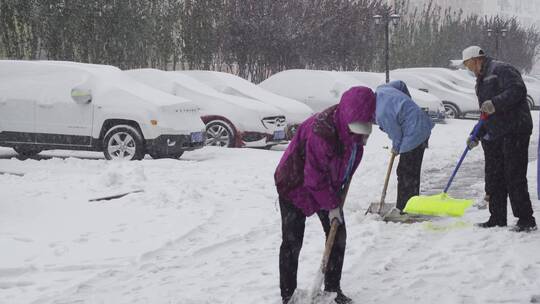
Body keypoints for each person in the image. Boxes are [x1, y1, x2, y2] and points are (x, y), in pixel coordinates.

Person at [274, 86, 376, 304]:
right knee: (292, 241)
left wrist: (336, 194)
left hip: (326, 187)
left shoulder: (356, 134)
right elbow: (314, 177)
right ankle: (288, 295)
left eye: (363, 131)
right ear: (346, 118)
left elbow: (346, 164)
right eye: (356, 131)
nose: (360, 136)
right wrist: (331, 206)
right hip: (294, 183)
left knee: (338, 235)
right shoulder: (322, 131)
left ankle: (332, 289)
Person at [461, 45, 536, 232]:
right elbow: (485, 113)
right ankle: (497, 217)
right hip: (495, 132)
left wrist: (495, 103)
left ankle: (526, 220)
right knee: (494, 175)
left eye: (469, 65)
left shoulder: (501, 69)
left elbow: (518, 90)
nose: (469, 69)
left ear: (477, 59)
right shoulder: (481, 80)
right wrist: (476, 134)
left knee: (514, 175)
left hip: (515, 129)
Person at [375, 80, 434, 213]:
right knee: (412, 171)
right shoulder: (381, 90)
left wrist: (396, 147)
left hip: (414, 133)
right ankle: (412, 204)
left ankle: (405, 208)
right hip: (421, 124)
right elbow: (400, 84)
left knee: (405, 172)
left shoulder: (381, 113)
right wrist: (407, 104)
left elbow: (396, 135)